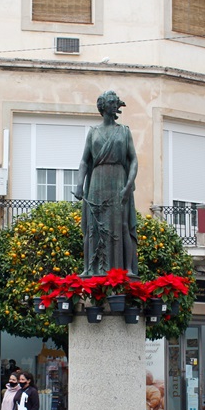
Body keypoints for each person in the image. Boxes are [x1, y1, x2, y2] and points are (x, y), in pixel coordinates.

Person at [72, 90, 139, 277]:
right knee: (92, 226)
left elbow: (133, 160)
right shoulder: (93, 132)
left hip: (118, 181)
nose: (115, 104)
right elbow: (85, 161)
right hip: (97, 182)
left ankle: (128, 269)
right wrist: (79, 185)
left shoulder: (124, 131)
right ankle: (89, 269)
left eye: (115, 102)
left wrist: (128, 185)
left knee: (123, 225)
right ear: (103, 106)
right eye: (111, 102)